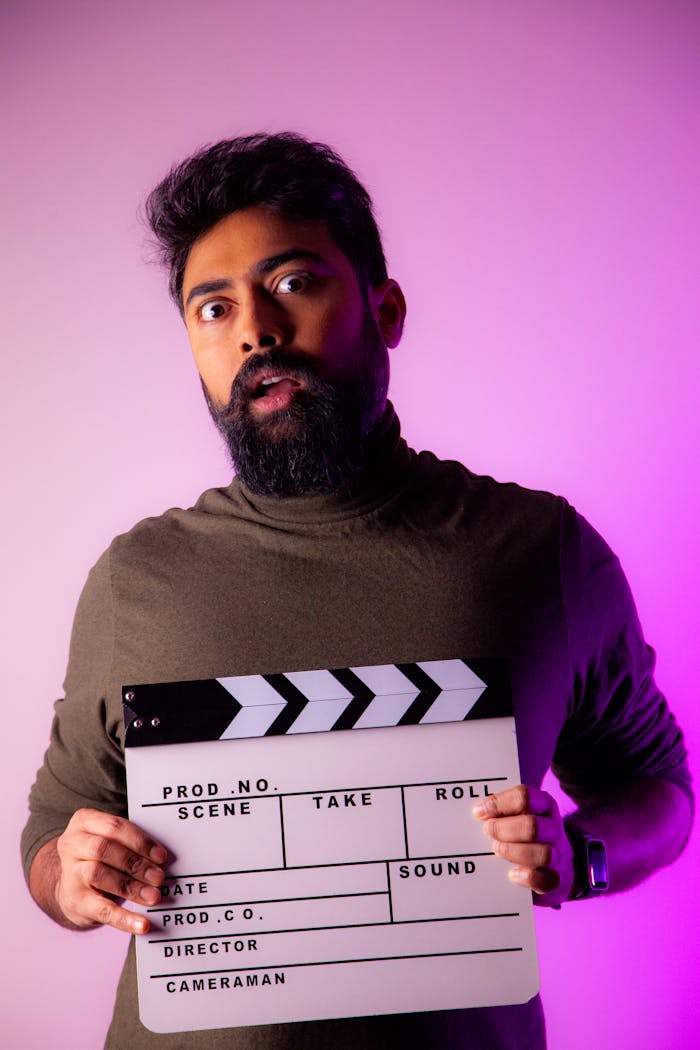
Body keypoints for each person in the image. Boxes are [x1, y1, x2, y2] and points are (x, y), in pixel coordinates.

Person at [22, 132, 693, 1049]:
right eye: (213, 308)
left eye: (293, 282)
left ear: (386, 308)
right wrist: (70, 874)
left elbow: (658, 790)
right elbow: (54, 832)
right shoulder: (135, 580)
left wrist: (583, 853)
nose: (255, 329)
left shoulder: (540, 552)